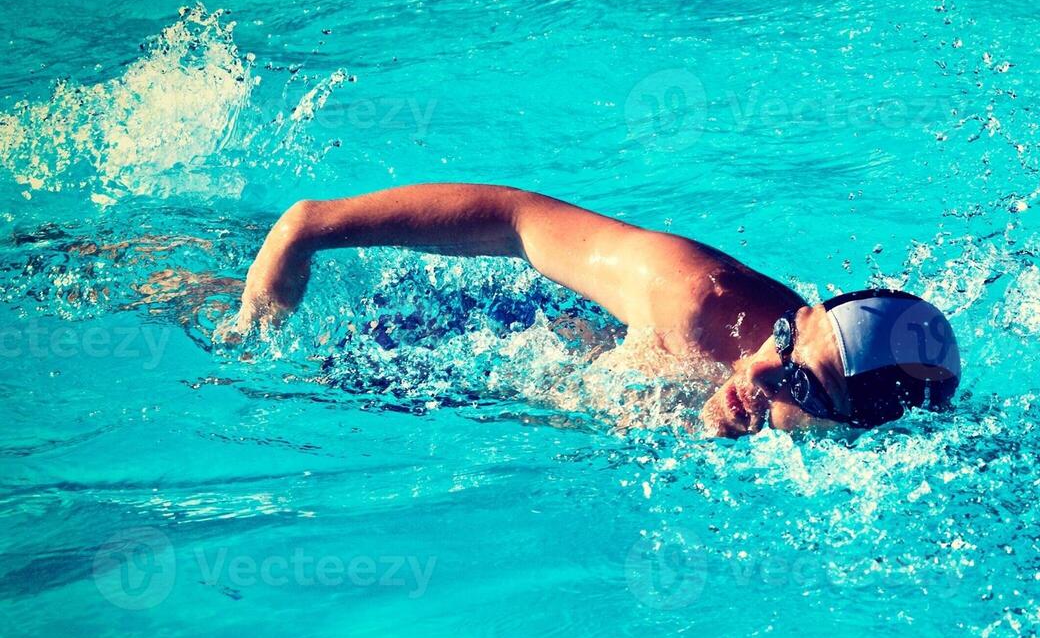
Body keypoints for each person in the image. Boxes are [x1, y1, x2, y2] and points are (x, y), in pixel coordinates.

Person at [225, 184, 961, 437]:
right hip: (462, 337)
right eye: (785, 344)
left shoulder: (886, 443)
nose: (766, 373)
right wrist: (311, 228)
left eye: (803, 386)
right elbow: (517, 221)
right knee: (226, 341)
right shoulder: (693, 299)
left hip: (529, 396)